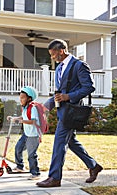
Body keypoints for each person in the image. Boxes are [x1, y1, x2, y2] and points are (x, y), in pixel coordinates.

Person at [36, 39, 103, 187]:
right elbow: (60, 91)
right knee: (71, 142)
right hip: (62, 110)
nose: (52, 58)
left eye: (53, 54)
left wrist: (69, 96)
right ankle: (93, 166)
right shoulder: (59, 68)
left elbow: (89, 87)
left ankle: (54, 178)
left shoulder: (79, 65)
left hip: (73, 111)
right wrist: (47, 106)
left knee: (59, 142)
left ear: (61, 51)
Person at [7, 86, 41, 180]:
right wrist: (15, 119)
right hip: (27, 133)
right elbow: (23, 118)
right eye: (20, 98)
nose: (20, 100)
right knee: (18, 148)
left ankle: (35, 173)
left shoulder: (33, 108)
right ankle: (20, 167)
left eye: (23, 98)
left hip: (33, 135)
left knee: (31, 155)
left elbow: (33, 121)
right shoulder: (25, 108)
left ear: (29, 98)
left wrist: (20, 121)